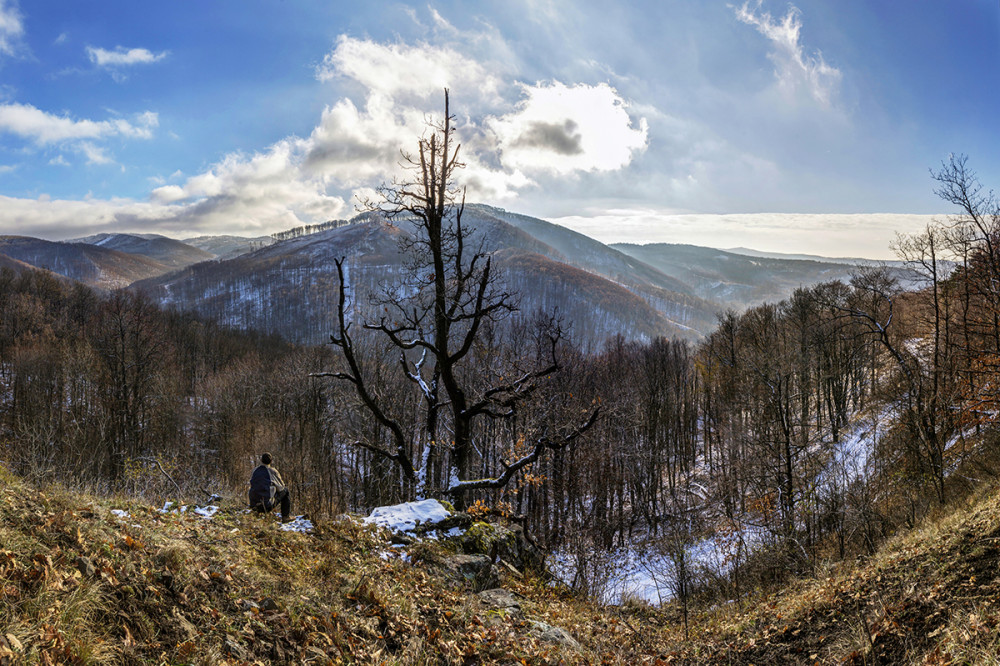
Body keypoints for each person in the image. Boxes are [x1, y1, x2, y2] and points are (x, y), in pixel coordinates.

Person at [248, 452, 291, 522]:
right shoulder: (272, 471)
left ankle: (257, 512)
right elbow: (281, 488)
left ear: (261, 460)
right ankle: (285, 517)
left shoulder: (255, 470)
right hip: (266, 506)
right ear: (271, 461)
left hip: (253, 505)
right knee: (286, 491)